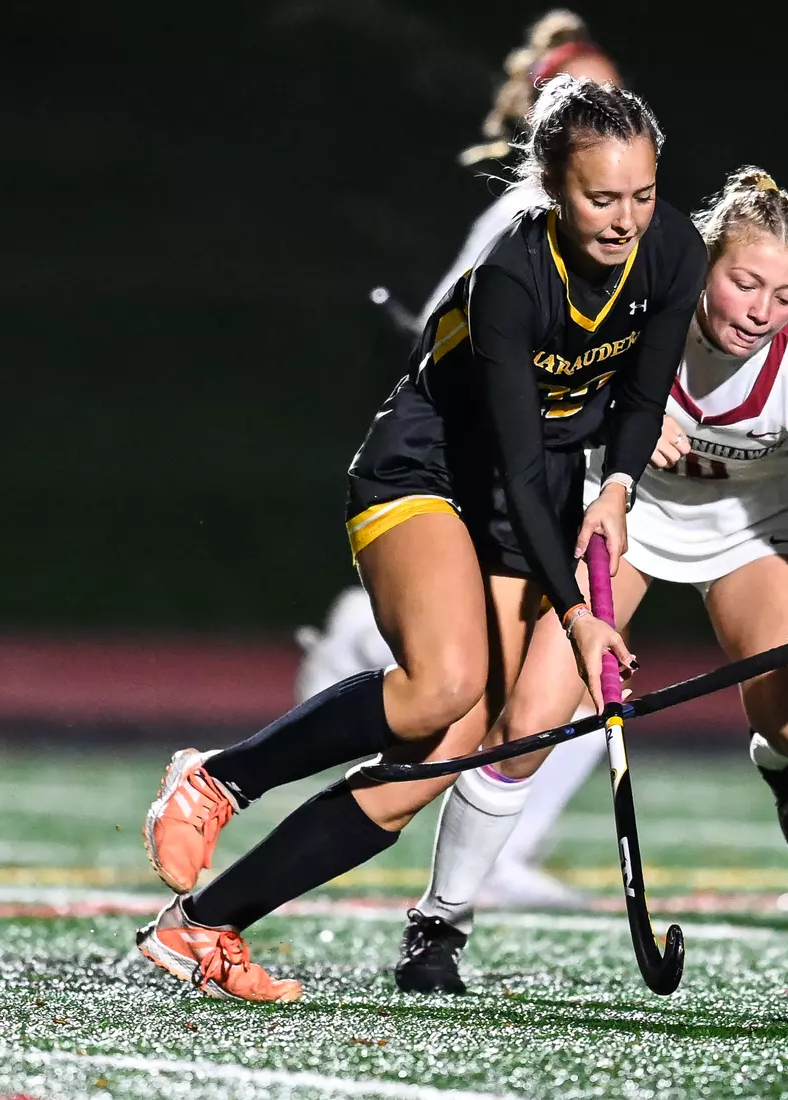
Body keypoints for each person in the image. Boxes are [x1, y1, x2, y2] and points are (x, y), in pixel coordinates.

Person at [135, 75, 707, 1002]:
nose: (625, 219)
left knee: (450, 754)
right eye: (601, 198)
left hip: (540, 492)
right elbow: (517, 468)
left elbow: (644, 397)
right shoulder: (512, 280)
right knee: (443, 685)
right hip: (427, 473)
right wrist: (580, 618)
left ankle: (203, 927)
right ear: (552, 188)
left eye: (641, 194)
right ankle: (219, 780)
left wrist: (619, 490)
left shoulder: (672, 250)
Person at [395, 166, 788, 994]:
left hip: (751, 532)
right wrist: (615, 412)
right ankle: (439, 924)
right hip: (618, 518)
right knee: (532, 719)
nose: (763, 311)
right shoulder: (633, 306)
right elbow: (531, 393)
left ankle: (787, 768)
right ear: (704, 264)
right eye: (744, 283)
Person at [295, 7, 621, 911]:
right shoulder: (528, 215)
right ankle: (358, 651)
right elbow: (452, 346)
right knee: (498, 687)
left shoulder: (609, 225)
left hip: (533, 479)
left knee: (563, 687)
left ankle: (362, 649)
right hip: (481, 479)